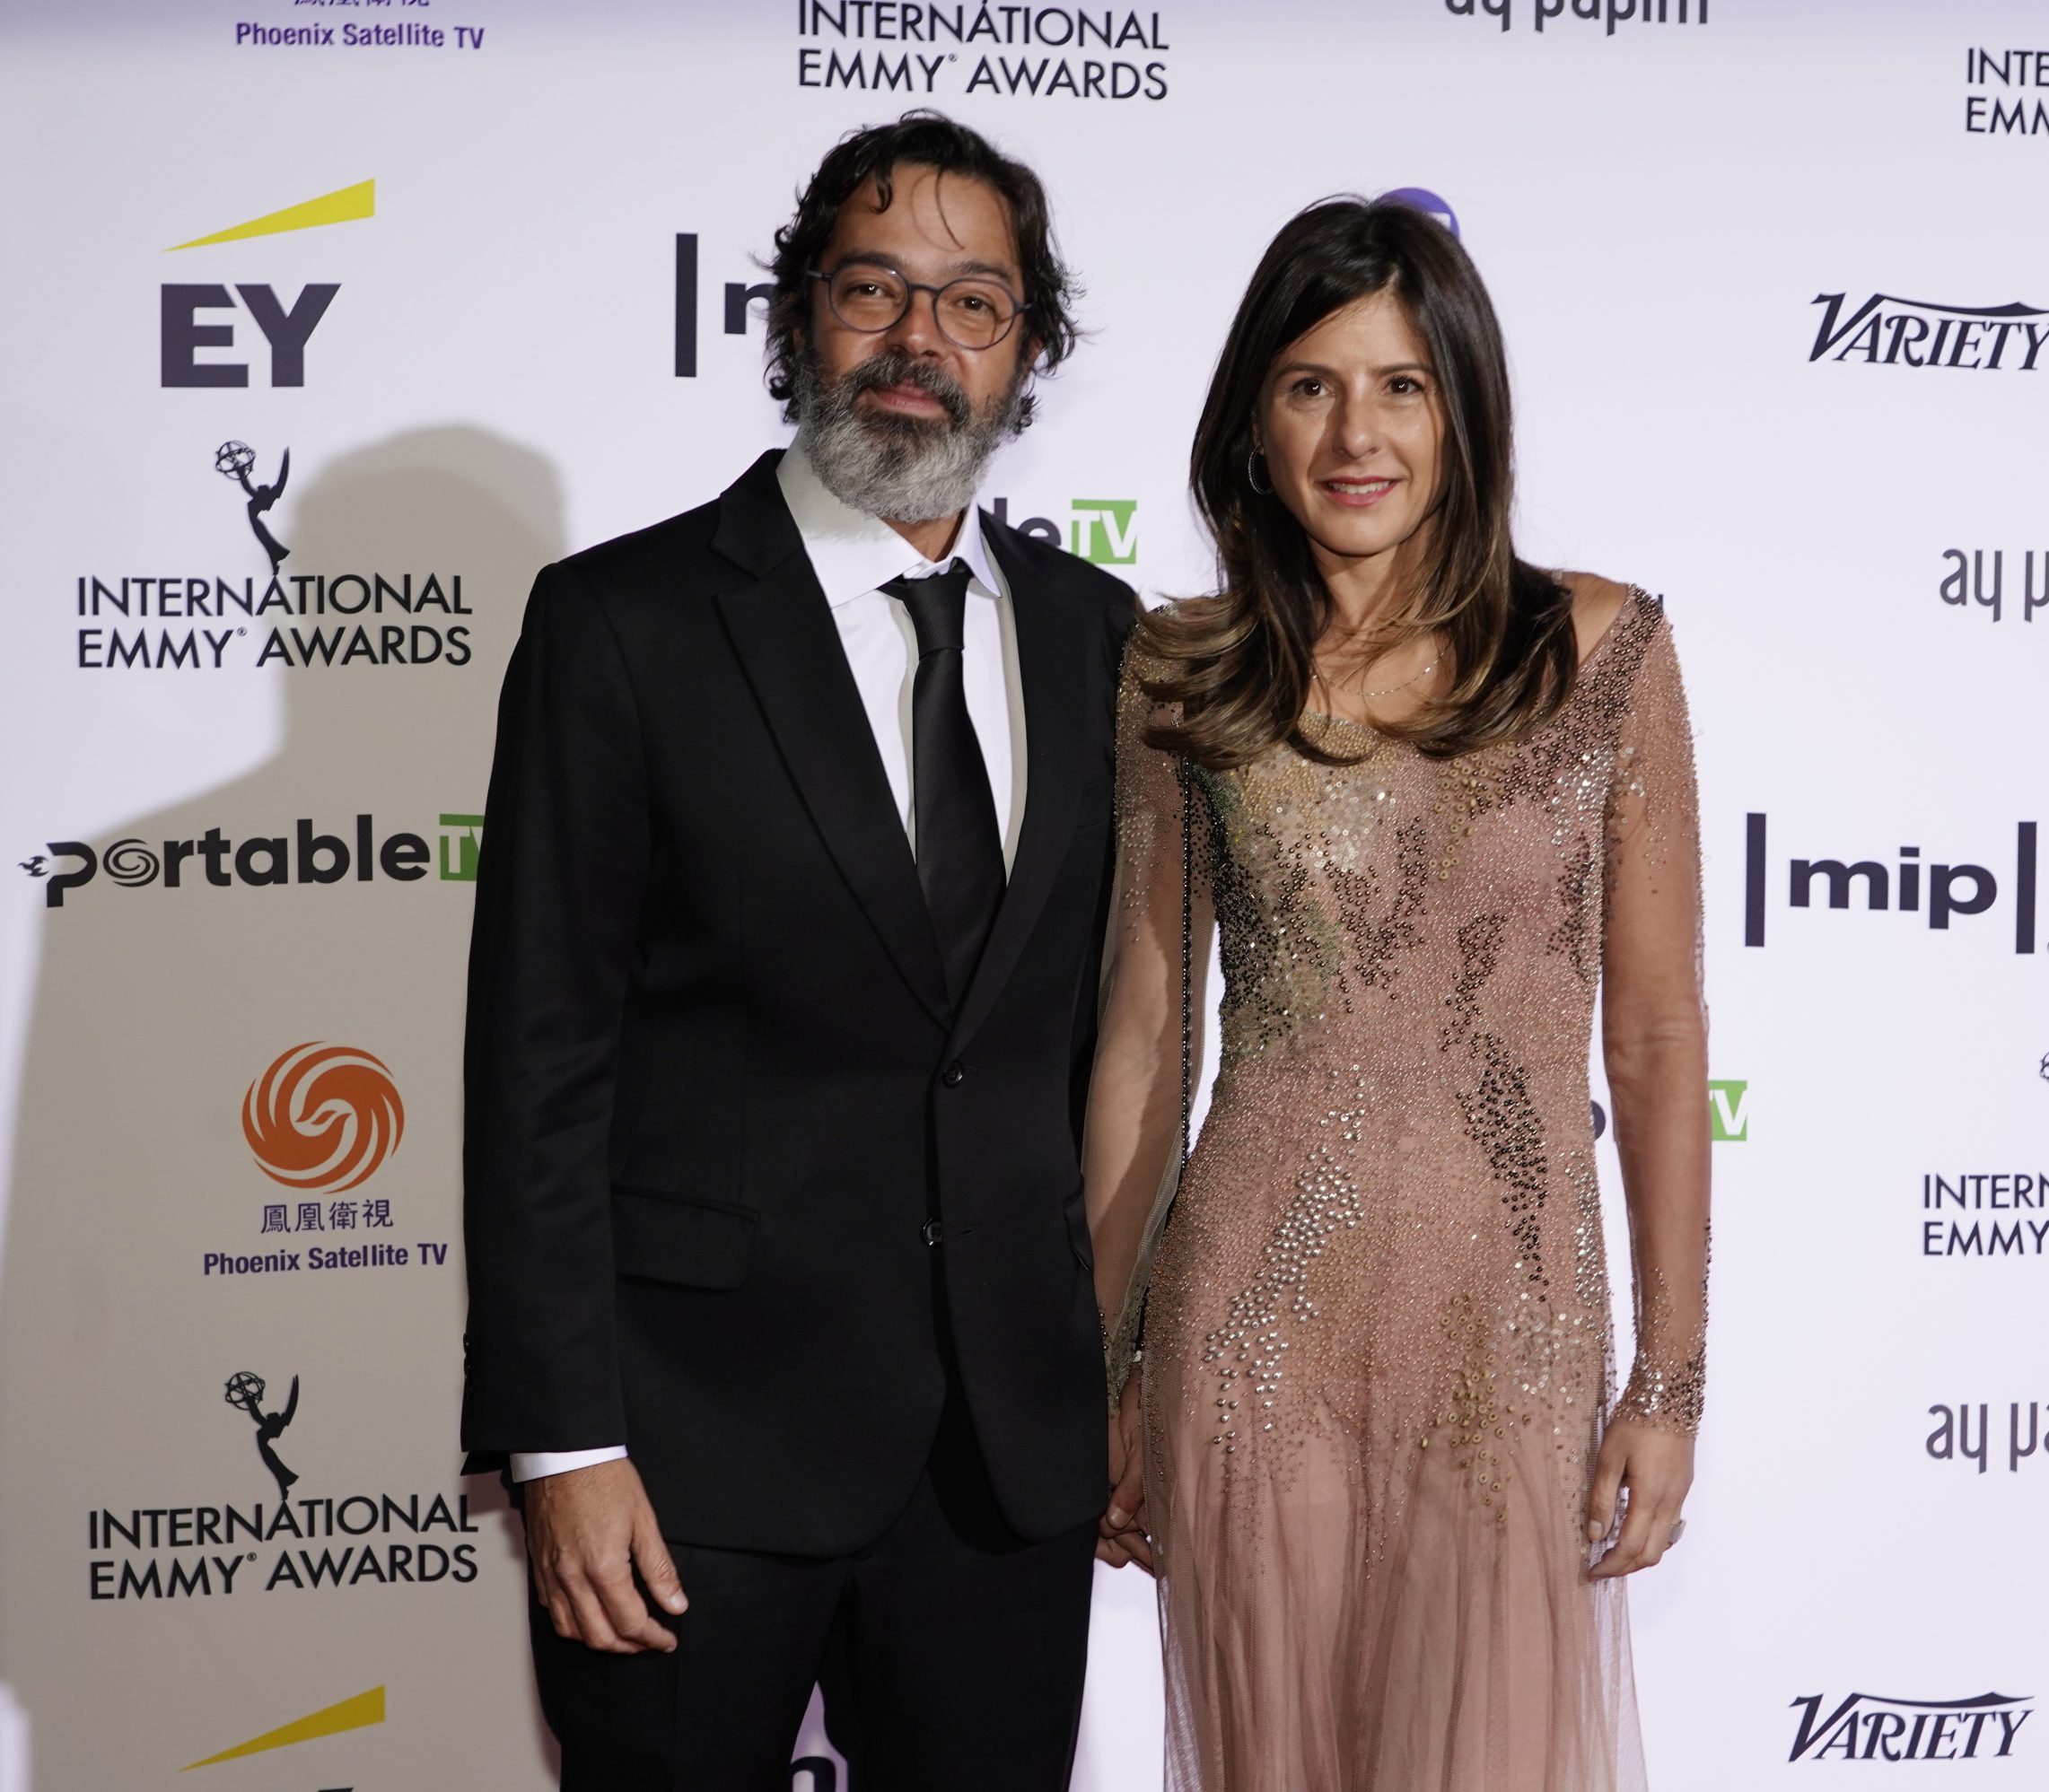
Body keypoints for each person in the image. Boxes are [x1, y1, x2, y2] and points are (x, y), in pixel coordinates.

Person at [460, 111, 1136, 1790]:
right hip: (686, 1464)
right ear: (795, 319)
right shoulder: (620, 625)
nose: (920, 341)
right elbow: (537, 1061)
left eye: (974, 302)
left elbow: (1089, 1048)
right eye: (873, 290)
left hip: (1001, 1474)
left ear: (1027, 348)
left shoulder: (1101, 640)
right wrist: (565, 1445)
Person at [1085, 199, 1712, 1789]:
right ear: (1253, 420)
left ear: (1465, 408)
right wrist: (1104, 1366)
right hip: (1252, 1322)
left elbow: (1651, 1038)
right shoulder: (1186, 666)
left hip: (1507, 1323)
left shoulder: (1601, 649)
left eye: (1401, 386)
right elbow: (1148, 1041)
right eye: (1309, 386)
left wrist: (1670, 1381)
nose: (1354, 432)